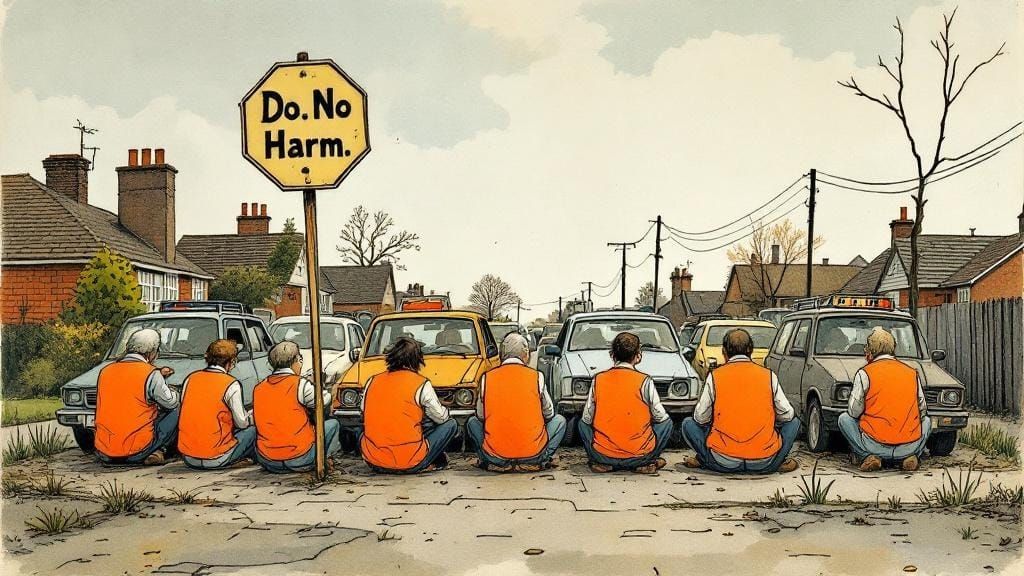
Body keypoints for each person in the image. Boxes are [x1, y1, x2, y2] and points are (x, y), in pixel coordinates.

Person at [681, 329, 800, 474]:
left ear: (724, 352)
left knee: (688, 424)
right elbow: (787, 415)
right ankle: (779, 462)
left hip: (723, 460)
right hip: (763, 461)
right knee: (794, 423)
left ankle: (705, 460)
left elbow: (700, 418)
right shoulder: (769, 376)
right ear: (751, 350)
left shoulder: (715, 376)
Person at [466, 333, 566, 473]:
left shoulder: (486, 378)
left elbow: (480, 416)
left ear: (502, 354)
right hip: (532, 455)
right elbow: (549, 413)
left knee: (472, 422)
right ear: (525, 354)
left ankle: (488, 460)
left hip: (496, 456)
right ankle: (542, 459)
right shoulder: (537, 377)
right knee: (560, 421)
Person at [578, 332, 673, 474]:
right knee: (667, 423)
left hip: (603, 455)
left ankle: (600, 463)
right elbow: (660, 417)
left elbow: (587, 418)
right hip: (639, 456)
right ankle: (646, 462)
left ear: (612, 355)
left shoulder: (598, 379)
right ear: (638, 356)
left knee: (582, 424)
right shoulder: (645, 380)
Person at [838, 327, 930, 472]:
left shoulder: (864, 373)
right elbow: (922, 409)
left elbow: (854, 412)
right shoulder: (912, 373)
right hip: (908, 446)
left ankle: (868, 456)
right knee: (927, 421)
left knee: (844, 418)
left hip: (874, 445)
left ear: (870, 351)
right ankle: (911, 457)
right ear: (893, 348)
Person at [360, 337, 457, 474]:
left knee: (361, 432)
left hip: (374, 462)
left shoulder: (372, 381)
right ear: (417, 360)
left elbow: (363, 412)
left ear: (391, 357)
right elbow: (441, 418)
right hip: (410, 461)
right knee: (450, 424)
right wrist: (443, 409)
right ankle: (431, 461)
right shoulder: (421, 383)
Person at [94, 328, 179, 466]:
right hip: (136, 451)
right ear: (151, 352)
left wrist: (157, 377)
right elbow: (170, 402)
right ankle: (159, 451)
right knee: (177, 409)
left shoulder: (105, 371)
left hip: (105, 452)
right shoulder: (151, 373)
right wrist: (173, 390)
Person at [253, 341, 340, 473]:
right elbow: (324, 400)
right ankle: (325, 460)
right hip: (299, 458)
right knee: (332, 424)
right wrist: (320, 387)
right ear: (296, 360)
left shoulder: (259, 388)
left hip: (268, 460)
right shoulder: (300, 384)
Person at [177, 340, 256, 469]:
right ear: (231, 362)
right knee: (252, 431)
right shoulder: (231, 383)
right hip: (216, 457)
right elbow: (242, 423)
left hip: (189, 457)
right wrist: (253, 415)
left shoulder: (190, 378)